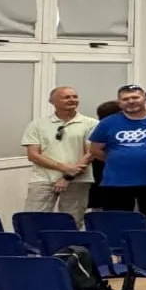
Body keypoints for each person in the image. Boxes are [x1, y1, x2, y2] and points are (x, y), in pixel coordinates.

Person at [88, 84, 146, 221]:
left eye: (135, 97)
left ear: (145, 99)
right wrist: (117, 159)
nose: (131, 101)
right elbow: (95, 149)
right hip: (116, 182)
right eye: (125, 99)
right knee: (118, 222)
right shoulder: (108, 123)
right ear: (119, 103)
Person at [21, 85, 97, 221]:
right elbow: (33, 155)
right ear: (52, 101)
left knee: (73, 220)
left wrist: (68, 176)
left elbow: (90, 153)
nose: (72, 100)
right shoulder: (37, 124)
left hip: (78, 179)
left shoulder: (91, 123)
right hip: (43, 178)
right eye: (66, 97)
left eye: (75, 96)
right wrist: (65, 168)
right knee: (33, 218)